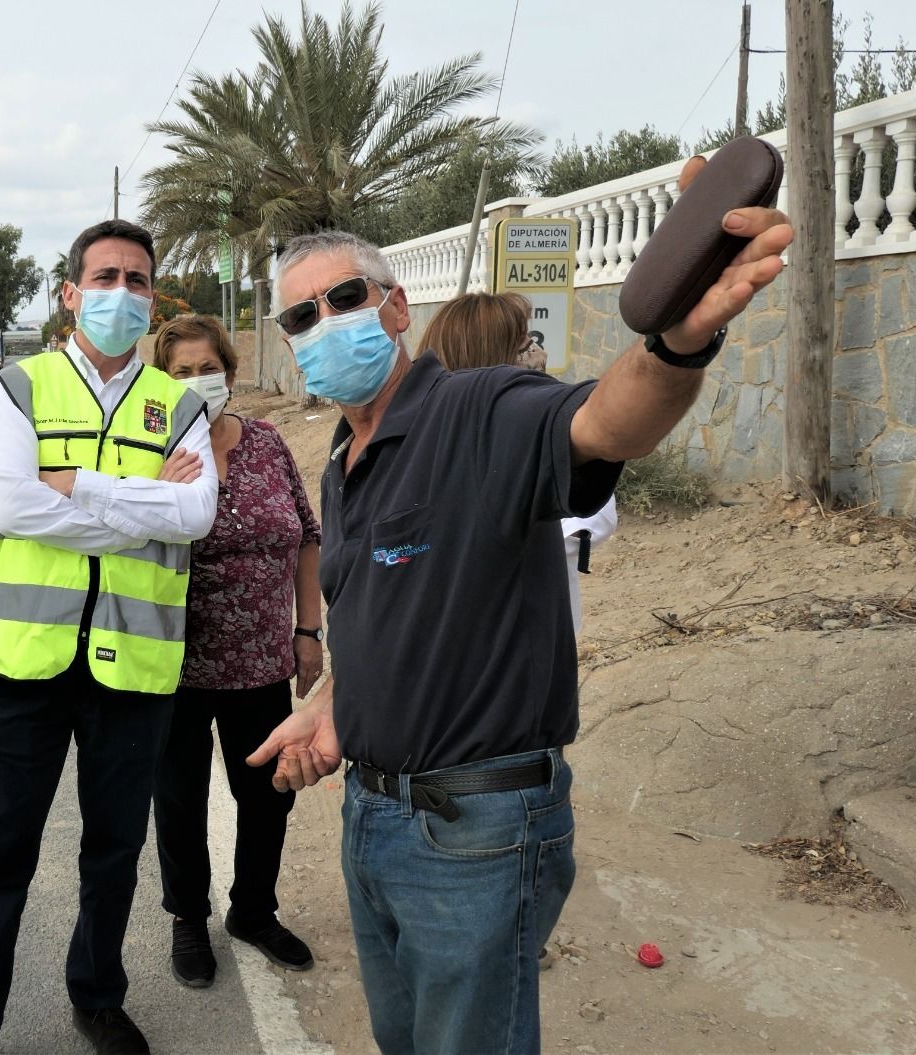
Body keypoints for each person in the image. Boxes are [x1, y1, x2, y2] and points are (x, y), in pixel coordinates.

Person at [248, 156, 793, 1054]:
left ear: (395, 308)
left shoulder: (480, 407)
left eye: (341, 298)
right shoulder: (341, 471)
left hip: (476, 834)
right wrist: (333, 704)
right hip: (374, 820)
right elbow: (391, 612)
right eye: (299, 316)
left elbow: (606, 422)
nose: (321, 326)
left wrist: (678, 343)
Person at [0, 219, 218, 1055]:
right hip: (25, 661)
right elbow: (12, 506)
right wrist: (141, 508)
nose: (121, 294)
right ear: (70, 293)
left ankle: (97, 996)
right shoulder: (17, 387)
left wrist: (80, 486)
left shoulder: (182, 402)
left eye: (137, 280)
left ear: (153, 296)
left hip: (132, 663)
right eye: (105, 277)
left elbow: (195, 515)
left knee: (114, 851)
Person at [147, 314, 322, 989]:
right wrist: (158, 490)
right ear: (161, 383)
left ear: (228, 366)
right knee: (181, 799)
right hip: (174, 665)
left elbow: (306, 535)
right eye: (182, 371)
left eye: (206, 366)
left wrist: (309, 630)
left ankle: (253, 909)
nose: (199, 380)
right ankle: (188, 917)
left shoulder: (269, 441)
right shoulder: (149, 449)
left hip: (261, 663)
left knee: (268, 794)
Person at [417, 292, 617, 633]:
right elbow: (589, 523)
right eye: (526, 348)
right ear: (494, 361)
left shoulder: (418, 438)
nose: (541, 354)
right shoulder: (513, 449)